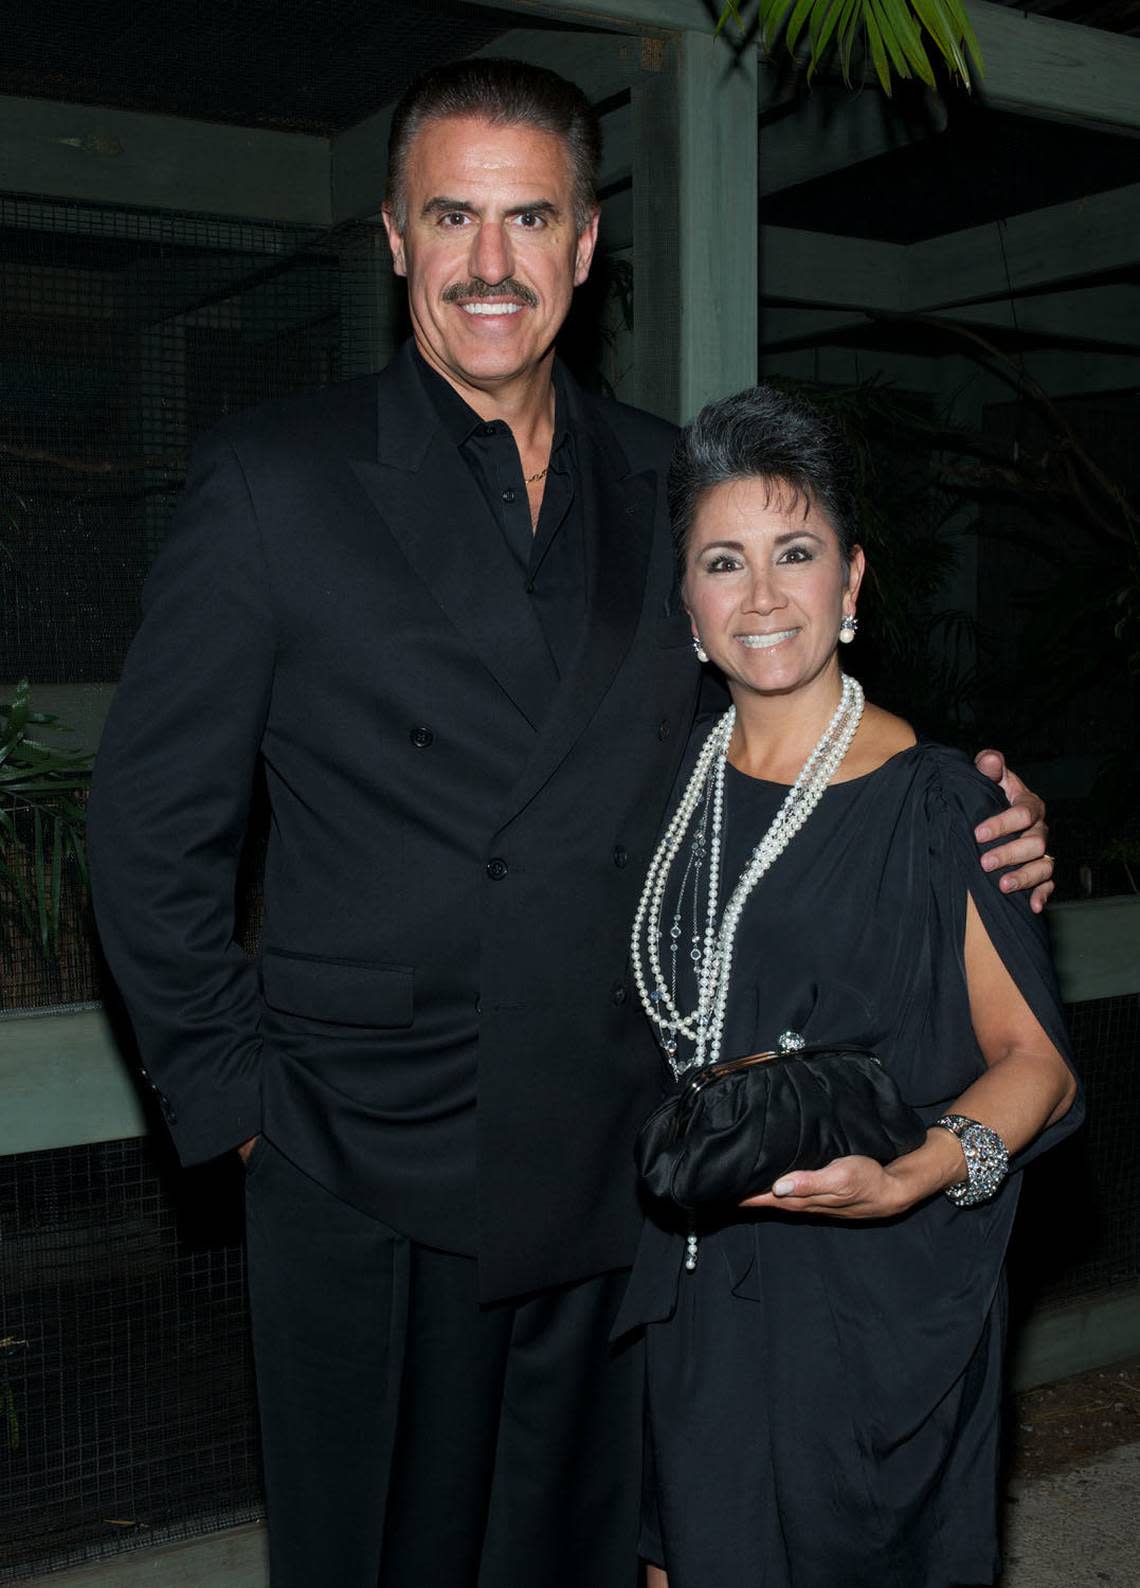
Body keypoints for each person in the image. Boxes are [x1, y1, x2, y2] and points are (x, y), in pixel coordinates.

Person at [87, 59, 1054, 1588]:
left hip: (612, 1160)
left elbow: (770, 713)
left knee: (581, 1561)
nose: (490, 262)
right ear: (394, 239)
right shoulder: (276, 483)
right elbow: (148, 832)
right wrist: (241, 1110)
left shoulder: (664, 477)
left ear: (586, 245)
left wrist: (963, 802)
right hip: (357, 1154)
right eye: (451, 218)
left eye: (527, 218)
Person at [617, 385, 1082, 1588]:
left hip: (870, 1318)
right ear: (687, 598)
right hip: (695, 1302)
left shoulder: (944, 807)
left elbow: (1036, 1064)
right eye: (725, 561)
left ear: (854, 581)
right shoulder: (664, 784)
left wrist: (912, 1176)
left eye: (796, 553)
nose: (763, 596)